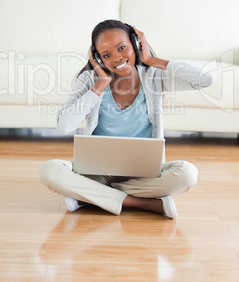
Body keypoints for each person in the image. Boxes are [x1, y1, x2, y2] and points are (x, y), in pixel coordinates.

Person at [39, 20, 214, 218]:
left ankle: (92, 196)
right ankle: (141, 203)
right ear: (98, 58)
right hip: (98, 173)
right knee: (49, 170)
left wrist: (152, 60)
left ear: (135, 44)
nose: (116, 58)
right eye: (106, 55)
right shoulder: (89, 80)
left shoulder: (154, 77)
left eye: (122, 48)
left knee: (187, 174)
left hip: (144, 173)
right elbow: (64, 126)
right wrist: (99, 87)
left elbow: (206, 80)